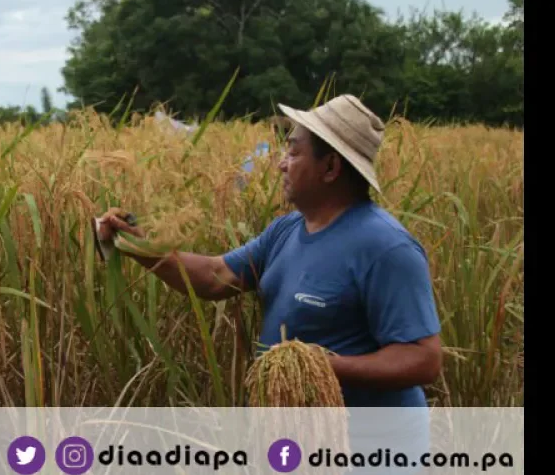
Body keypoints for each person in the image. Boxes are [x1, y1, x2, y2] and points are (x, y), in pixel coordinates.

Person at [95, 94, 442, 408]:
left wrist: (315, 367)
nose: (280, 164)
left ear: (331, 167)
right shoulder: (287, 229)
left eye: (293, 152)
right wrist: (139, 246)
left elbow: (422, 359)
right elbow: (216, 277)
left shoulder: (386, 247)